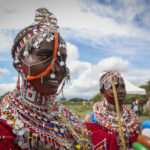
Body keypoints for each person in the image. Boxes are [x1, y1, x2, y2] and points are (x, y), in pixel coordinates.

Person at [0, 8, 92, 150]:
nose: (57, 69)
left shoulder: (69, 117)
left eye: (61, 59)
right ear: (19, 65)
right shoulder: (5, 124)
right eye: (44, 56)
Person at [84, 71, 140, 150]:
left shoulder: (132, 117)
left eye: (123, 87)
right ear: (102, 92)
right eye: (114, 87)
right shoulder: (91, 118)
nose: (121, 91)